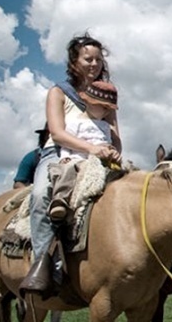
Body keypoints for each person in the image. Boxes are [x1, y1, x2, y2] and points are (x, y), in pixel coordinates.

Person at [20, 33, 122, 297]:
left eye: (98, 59)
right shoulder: (58, 92)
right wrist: (91, 149)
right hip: (58, 153)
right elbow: (57, 132)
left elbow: (115, 136)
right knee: (42, 193)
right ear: (74, 61)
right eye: (88, 58)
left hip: (99, 155)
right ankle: (43, 265)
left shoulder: (105, 95)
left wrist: (112, 152)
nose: (94, 64)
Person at [47, 81, 120, 221]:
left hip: (100, 162)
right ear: (88, 102)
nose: (107, 111)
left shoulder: (106, 127)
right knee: (67, 172)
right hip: (78, 158)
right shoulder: (75, 123)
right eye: (103, 107)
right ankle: (60, 198)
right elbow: (66, 142)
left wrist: (113, 152)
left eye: (109, 108)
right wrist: (65, 157)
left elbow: (108, 143)